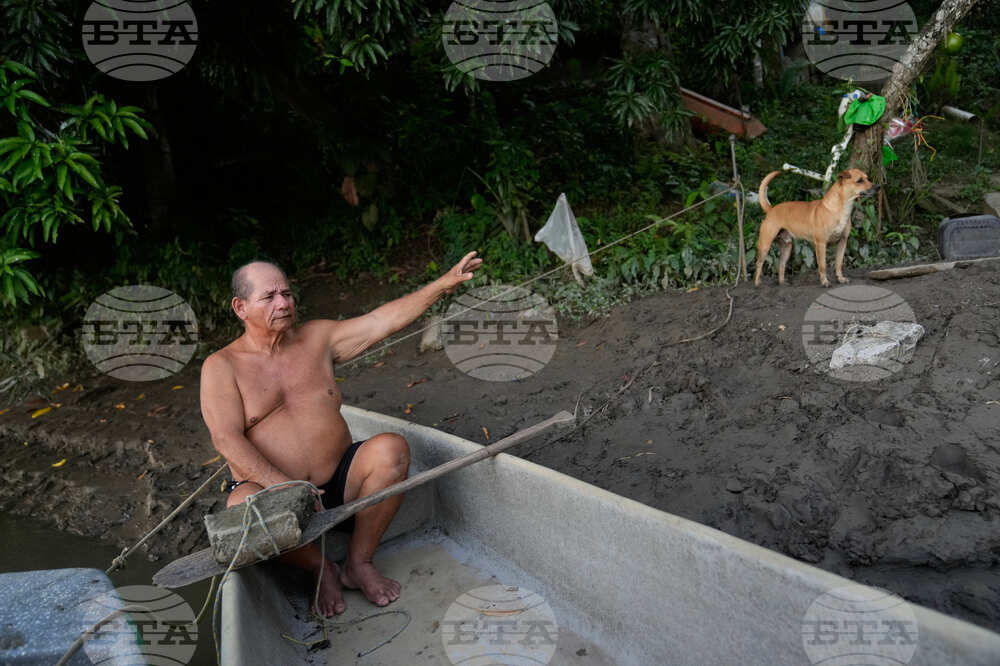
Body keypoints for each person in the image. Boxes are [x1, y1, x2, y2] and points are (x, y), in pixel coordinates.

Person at [199, 252, 483, 616]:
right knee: (240, 506)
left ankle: (358, 562)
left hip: (340, 483)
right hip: (275, 492)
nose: (284, 303)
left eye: (287, 294)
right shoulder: (221, 366)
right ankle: (321, 568)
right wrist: (284, 487)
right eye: (269, 297)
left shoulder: (318, 337)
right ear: (240, 307)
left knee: (391, 450)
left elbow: (381, 321)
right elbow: (226, 439)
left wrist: (442, 284)